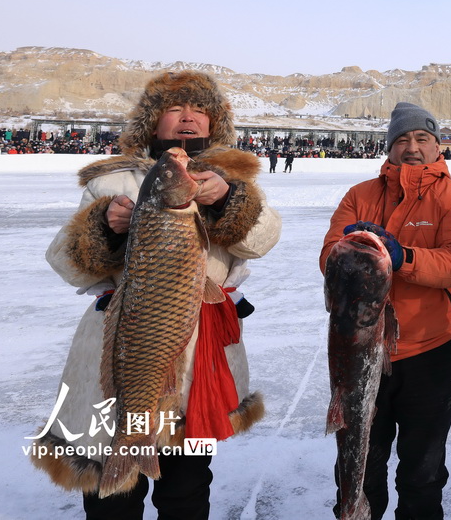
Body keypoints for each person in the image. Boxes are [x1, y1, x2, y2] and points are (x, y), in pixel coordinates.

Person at [31, 71, 282, 519]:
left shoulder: (233, 179)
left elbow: (262, 240)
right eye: (175, 108)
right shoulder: (112, 181)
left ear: (213, 122)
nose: (188, 118)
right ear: (152, 120)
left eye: (199, 110)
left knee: (188, 485)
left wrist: (229, 201)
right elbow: (64, 262)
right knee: (111, 492)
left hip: (203, 349)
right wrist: (103, 229)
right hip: (122, 341)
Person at [319, 102, 451, 520]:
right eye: (402, 139)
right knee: (358, 467)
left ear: (437, 145)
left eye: (422, 138)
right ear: (390, 147)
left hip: (429, 353)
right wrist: (351, 251)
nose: (412, 147)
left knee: (422, 473)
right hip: (358, 352)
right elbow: (328, 256)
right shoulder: (359, 195)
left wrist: (402, 256)